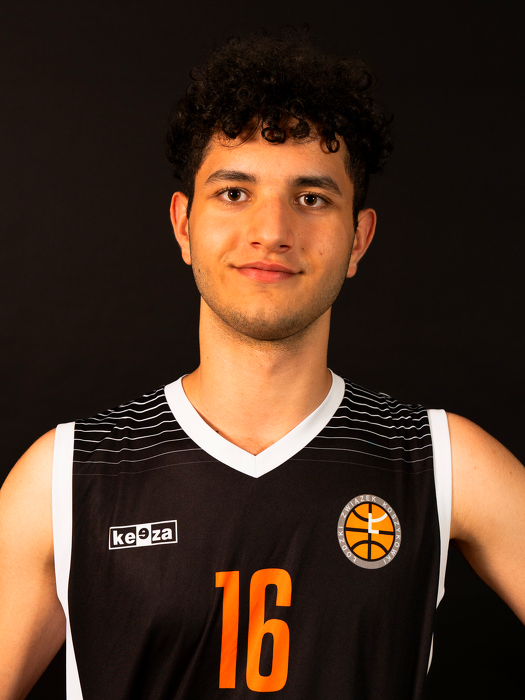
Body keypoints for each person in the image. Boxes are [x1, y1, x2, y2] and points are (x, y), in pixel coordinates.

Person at [1, 29, 524, 700]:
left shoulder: (443, 461)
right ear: (183, 225)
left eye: (311, 198)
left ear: (358, 239)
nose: (272, 231)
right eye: (234, 193)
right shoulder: (66, 475)